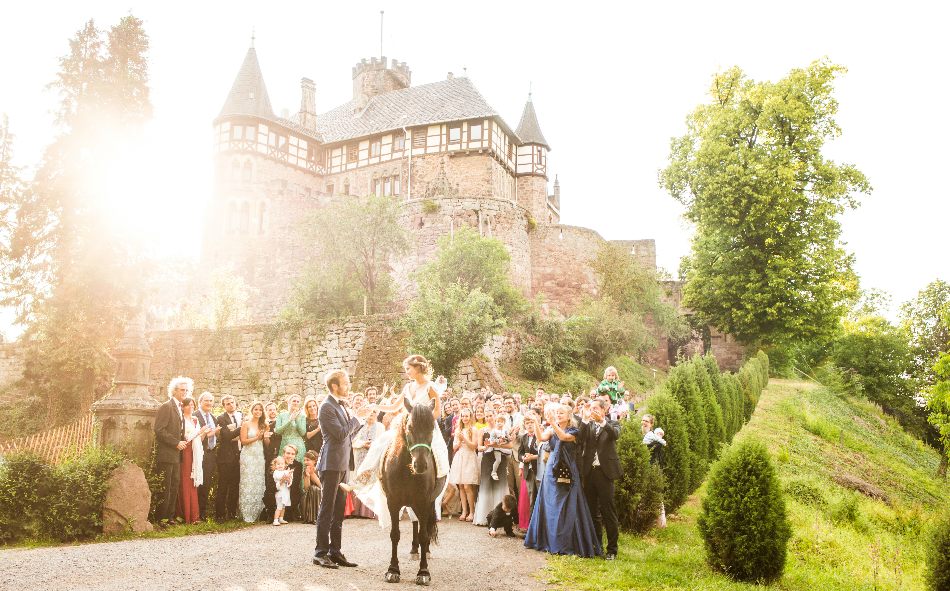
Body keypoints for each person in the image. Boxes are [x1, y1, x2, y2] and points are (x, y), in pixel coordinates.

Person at [344, 355, 450, 527]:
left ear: (418, 368)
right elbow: (395, 407)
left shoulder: (430, 388)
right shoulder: (408, 387)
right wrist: (374, 406)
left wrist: (422, 420)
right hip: (406, 427)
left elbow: (437, 412)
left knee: (439, 452)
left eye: (408, 368)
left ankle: (437, 482)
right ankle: (361, 480)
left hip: (424, 428)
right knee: (382, 443)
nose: (406, 372)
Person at [524, 405, 602, 557]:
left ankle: (565, 541)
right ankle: (547, 539)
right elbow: (541, 438)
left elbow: (564, 437)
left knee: (565, 503)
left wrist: (552, 423)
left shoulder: (574, 430)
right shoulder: (552, 428)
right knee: (549, 501)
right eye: (557, 412)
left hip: (567, 468)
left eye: (561, 413)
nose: (558, 415)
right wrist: (535, 423)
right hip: (552, 468)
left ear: (568, 416)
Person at [313, 368, 369, 569]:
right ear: (334, 386)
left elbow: (348, 437)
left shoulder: (341, 406)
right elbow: (339, 435)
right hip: (330, 464)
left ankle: (335, 552)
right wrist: (357, 418)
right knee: (326, 509)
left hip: (343, 463)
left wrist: (359, 420)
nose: (348, 386)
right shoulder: (326, 407)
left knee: (339, 511)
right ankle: (320, 553)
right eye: (345, 383)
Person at [579, 398, 622, 560]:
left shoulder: (613, 423)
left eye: (596, 408)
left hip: (605, 474)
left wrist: (603, 422)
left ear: (604, 410)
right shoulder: (587, 424)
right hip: (589, 473)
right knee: (592, 512)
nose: (593, 410)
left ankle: (612, 550)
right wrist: (584, 418)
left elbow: (615, 434)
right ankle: (596, 546)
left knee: (608, 511)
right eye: (591, 408)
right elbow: (580, 439)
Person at [153, 377, 190, 527]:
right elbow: (159, 430)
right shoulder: (166, 406)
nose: (185, 392)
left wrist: (184, 437)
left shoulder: (179, 407)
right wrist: (176, 443)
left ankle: (170, 517)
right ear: (174, 390)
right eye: (182, 390)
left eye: (187, 390)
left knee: (174, 485)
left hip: (176, 455)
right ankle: (161, 519)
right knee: (166, 486)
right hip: (167, 454)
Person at [472, 413, 513, 526]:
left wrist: (498, 445)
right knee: (486, 485)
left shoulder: (504, 430)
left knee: (500, 485)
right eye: (488, 416)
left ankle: (501, 518)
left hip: (501, 459)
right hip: (487, 459)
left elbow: (510, 446)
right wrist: (487, 446)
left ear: (496, 418)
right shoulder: (482, 431)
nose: (489, 418)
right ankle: (484, 517)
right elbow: (479, 447)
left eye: (491, 416)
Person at [177, 397, 207, 524]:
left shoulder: (195, 420)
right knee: (186, 481)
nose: (190, 407)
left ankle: (195, 515)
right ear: (183, 407)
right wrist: (199, 432)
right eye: (188, 405)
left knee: (193, 482)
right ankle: (185, 515)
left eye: (192, 405)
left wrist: (204, 433)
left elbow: (200, 438)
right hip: (186, 452)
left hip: (195, 452)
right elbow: (186, 437)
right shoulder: (181, 419)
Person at [238, 401, 268, 522]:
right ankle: (246, 513)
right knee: (247, 482)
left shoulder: (264, 425)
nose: (258, 412)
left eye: (260, 410)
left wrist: (265, 437)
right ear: (252, 410)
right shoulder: (246, 424)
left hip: (259, 455)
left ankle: (258, 513)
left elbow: (266, 443)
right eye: (256, 409)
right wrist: (257, 437)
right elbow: (243, 441)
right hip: (248, 455)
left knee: (258, 482)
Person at [448, 408, 479, 521]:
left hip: (469, 457)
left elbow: (473, 446)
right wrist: (458, 442)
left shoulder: (474, 429)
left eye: (467, 416)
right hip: (460, 456)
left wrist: (464, 439)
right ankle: (464, 511)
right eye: (463, 416)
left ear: (470, 417)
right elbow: (454, 447)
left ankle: (472, 511)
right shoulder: (458, 429)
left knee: (467, 485)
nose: (465, 418)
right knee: (461, 485)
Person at [215, 395, 243, 521]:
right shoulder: (221, 418)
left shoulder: (242, 416)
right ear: (224, 406)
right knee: (223, 486)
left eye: (232, 402)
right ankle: (220, 514)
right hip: (225, 458)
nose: (231, 405)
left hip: (239, 456)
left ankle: (232, 513)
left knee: (235, 486)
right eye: (227, 404)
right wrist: (242, 428)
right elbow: (227, 436)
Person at [195, 391, 221, 521]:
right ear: (200, 402)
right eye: (206, 400)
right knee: (197, 483)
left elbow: (217, 436)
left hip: (211, 454)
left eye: (211, 401)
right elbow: (194, 437)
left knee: (207, 483)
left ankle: (203, 513)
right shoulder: (195, 416)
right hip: (199, 453)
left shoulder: (214, 418)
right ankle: (195, 513)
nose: (209, 403)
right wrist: (210, 434)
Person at [517, 414, 540, 530]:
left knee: (540, 498)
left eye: (532, 422)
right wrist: (523, 458)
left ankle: (540, 527)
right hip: (528, 471)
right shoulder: (524, 437)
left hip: (539, 470)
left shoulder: (541, 436)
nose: (530, 424)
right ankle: (531, 528)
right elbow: (519, 453)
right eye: (527, 423)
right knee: (531, 499)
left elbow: (545, 453)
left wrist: (532, 457)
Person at [262, 401, 283, 521]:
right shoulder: (264, 424)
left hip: (280, 454)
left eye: (274, 409)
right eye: (269, 409)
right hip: (269, 456)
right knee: (270, 482)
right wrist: (266, 437)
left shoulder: (280, 422)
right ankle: (270, 511)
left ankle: (282, 511)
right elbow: (266, 445)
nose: (272, 411)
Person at [276, 394, 306, 463]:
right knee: (283, 466)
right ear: (289, 402)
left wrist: (297, 419)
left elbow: (303, 433)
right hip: (285, 444)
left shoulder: (302, 416)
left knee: (298, 468)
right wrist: (290, 420)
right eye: (294, 401)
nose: (296, 403)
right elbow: (278, 431)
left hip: (299, 445)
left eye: (298, 401)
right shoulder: (281, 415)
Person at [485, 414, 513, 482]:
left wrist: (508, 438)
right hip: (497, 447)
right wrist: (498, 440)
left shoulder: (505, 431)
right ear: (495, 422)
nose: (500, 423)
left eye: (501, 422)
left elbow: (508, 438)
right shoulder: (494, 431)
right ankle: (494, 472)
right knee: (498, 460)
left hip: (504, 447)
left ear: (504, 423)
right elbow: (491, 440)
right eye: (498, 421)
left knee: (509, 456)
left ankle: (505, 468)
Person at [301, 450, 322, 524]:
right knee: (313, 489)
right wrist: (307, 476)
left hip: (321, 492)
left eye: (308, 460)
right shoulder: (305, 471)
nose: (305, 462)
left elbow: (321, 486)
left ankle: (318, 516)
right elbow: (306, 488)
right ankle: (311, 517)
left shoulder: (319, 469)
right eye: (304, 460)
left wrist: (313, 474)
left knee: (316, 489)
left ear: (314, 461)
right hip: (310, 494)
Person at [271, 456, 292, 526]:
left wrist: (289, 477)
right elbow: (280, 477)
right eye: (278, 464)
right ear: (275, 466)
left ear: (285, 465)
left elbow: (289, 480)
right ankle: (275, 520)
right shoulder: (276, 472)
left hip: (285, 491)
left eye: (282, 464)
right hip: (280, 491)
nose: (280, 465)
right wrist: (288, 473)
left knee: (283, 506)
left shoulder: (284, 471)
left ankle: (281, 518)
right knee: (279, 506)